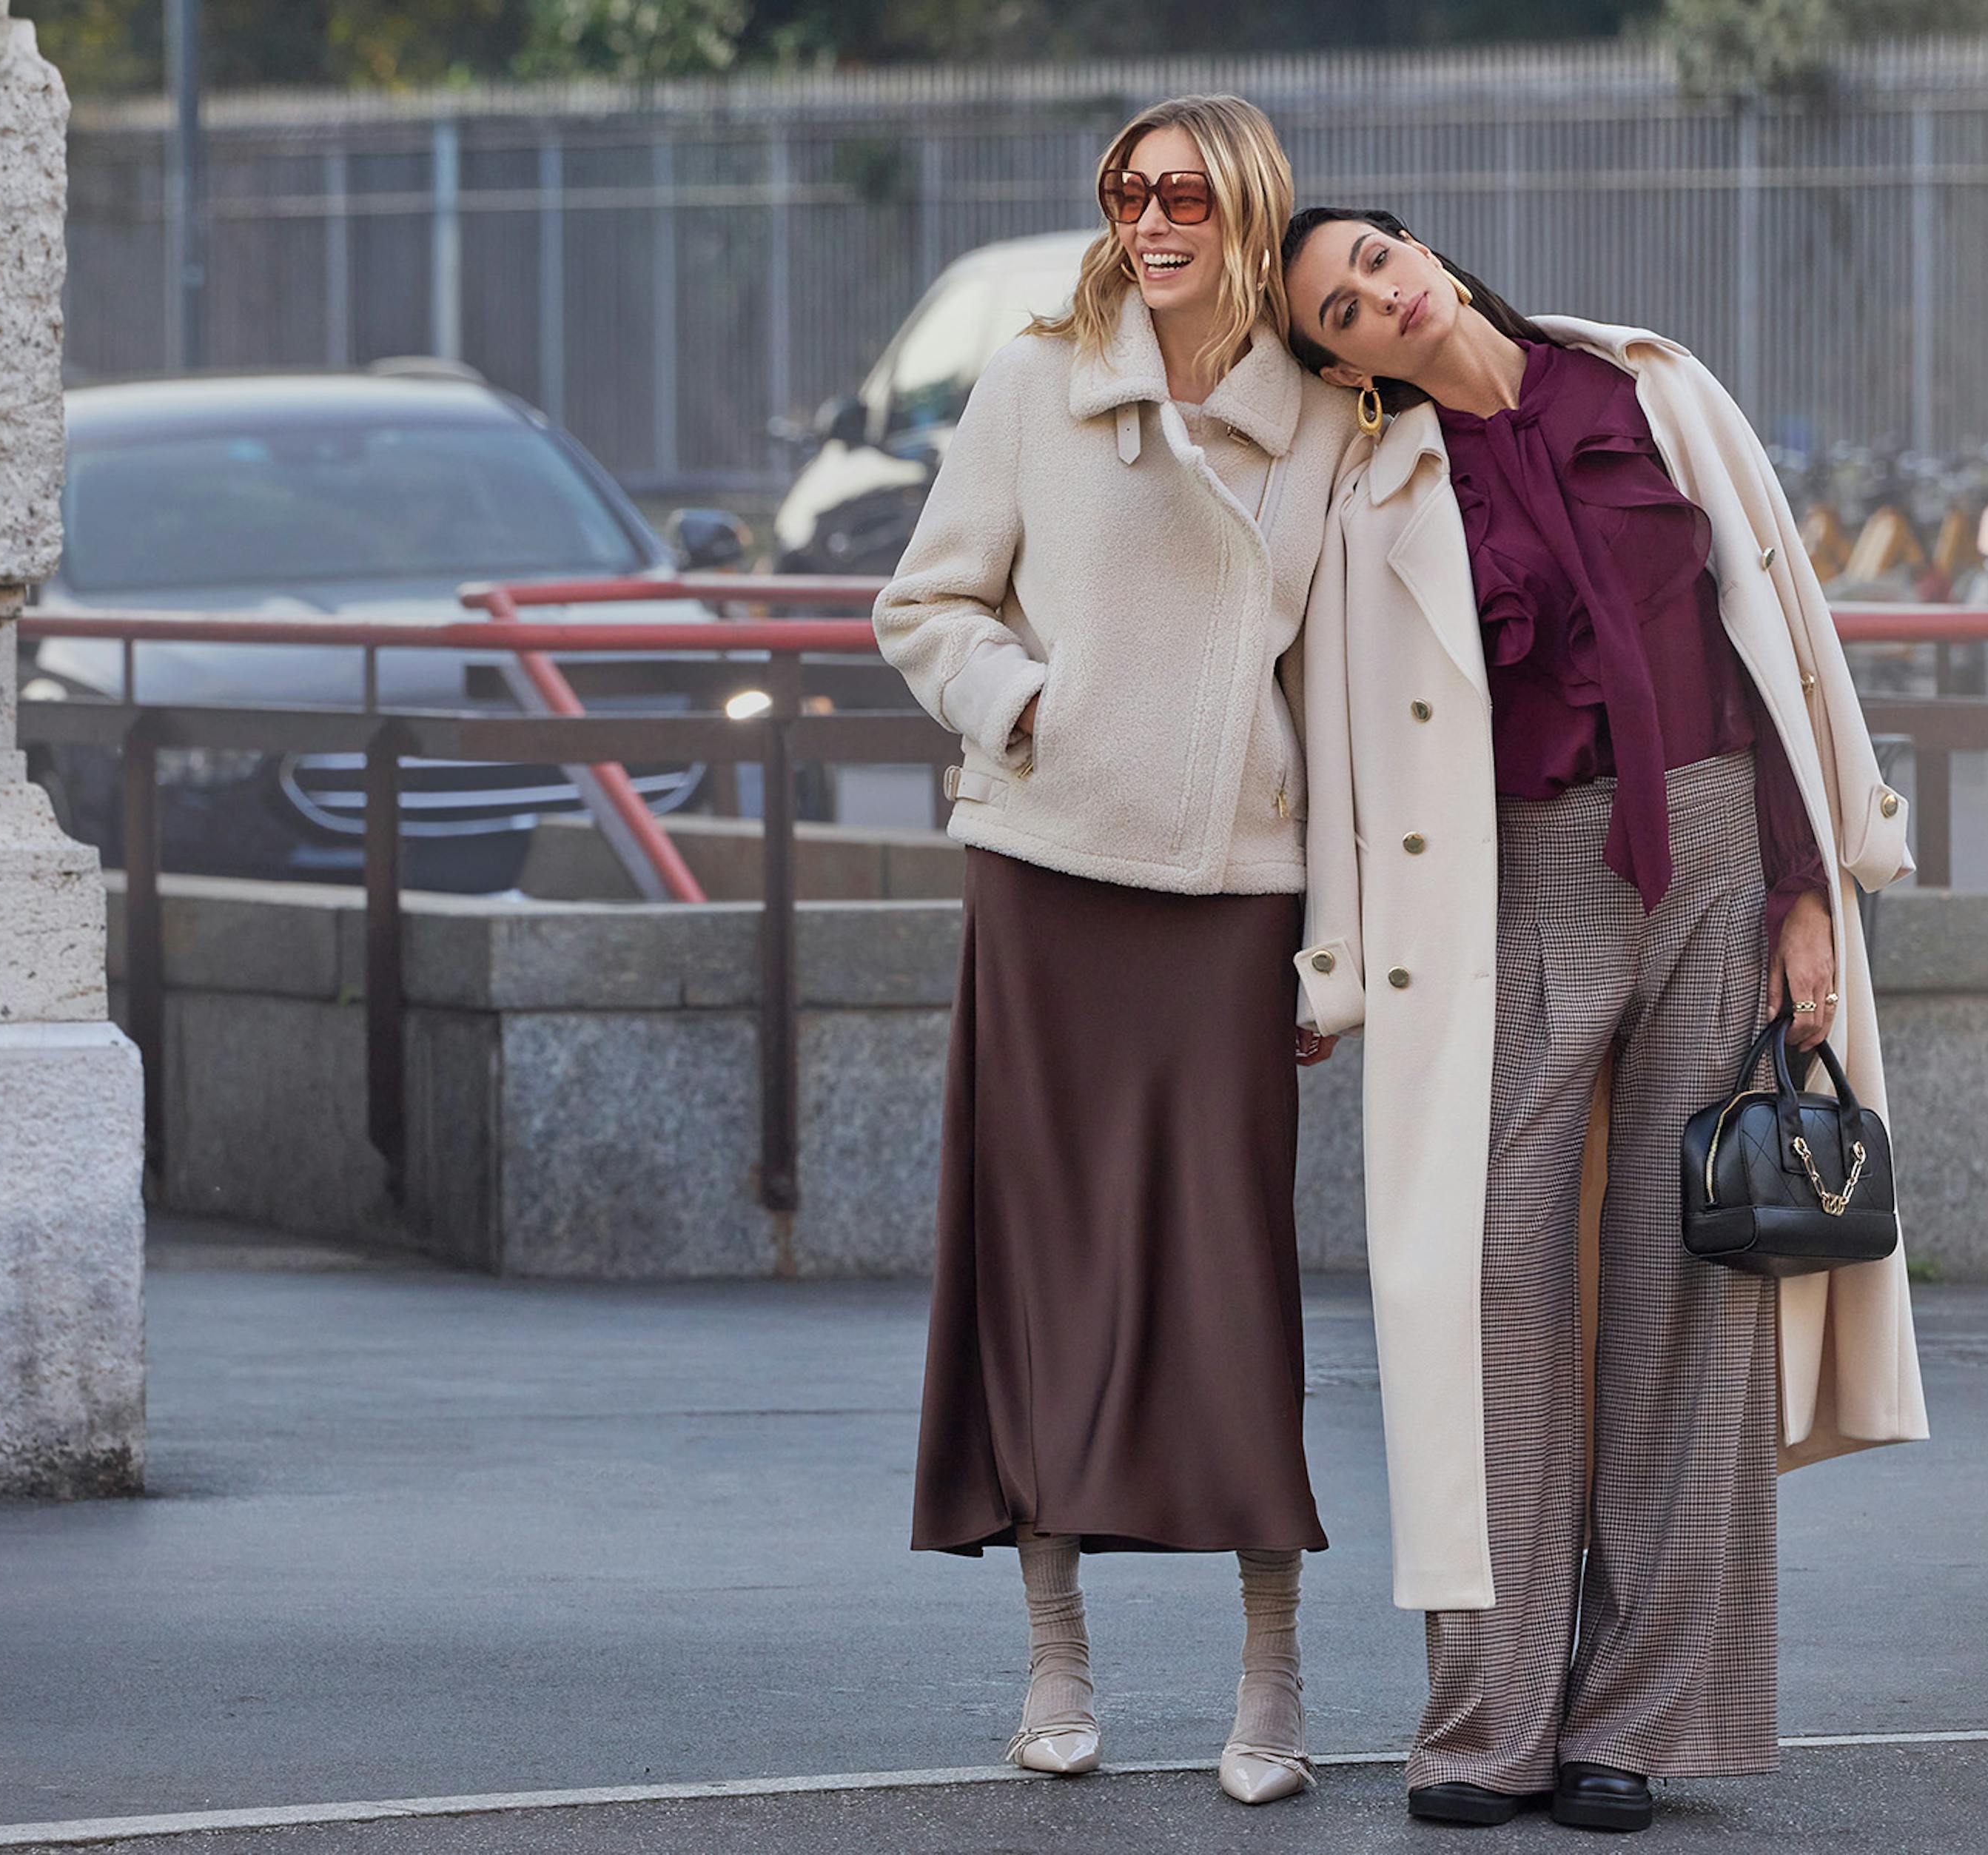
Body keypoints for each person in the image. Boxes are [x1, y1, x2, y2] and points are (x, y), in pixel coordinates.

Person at [1280, 207, 1928, 1833]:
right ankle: (1484, 1722)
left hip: (1715, 846)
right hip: (1518, 879)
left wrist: (1802, 883)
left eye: (1373, 258)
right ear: (1339, 363)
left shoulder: (1650, 388)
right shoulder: (1382, 495)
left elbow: (1760, 642)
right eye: (1340, 310)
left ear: (1424, 248)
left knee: (1687, 1282)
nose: (1377, 294)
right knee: (1491, 1287)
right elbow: (1348, 750)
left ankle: (1638, 1719)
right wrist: (1334, 957)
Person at [872, 95, 1357, 1805]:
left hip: (1234, 885)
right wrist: (1031, 714)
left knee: (1233, 1281)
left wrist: (1336, 943)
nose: (1151, 221)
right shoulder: (1033, 379)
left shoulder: (1323, 418)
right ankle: (1056, 1649)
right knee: (1045, 1265)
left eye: (1185, 197)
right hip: (1053, 862)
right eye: (1127, 191)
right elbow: (927, 603)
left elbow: (1345, 705)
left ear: (1246, 210)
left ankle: (1273, 1661)